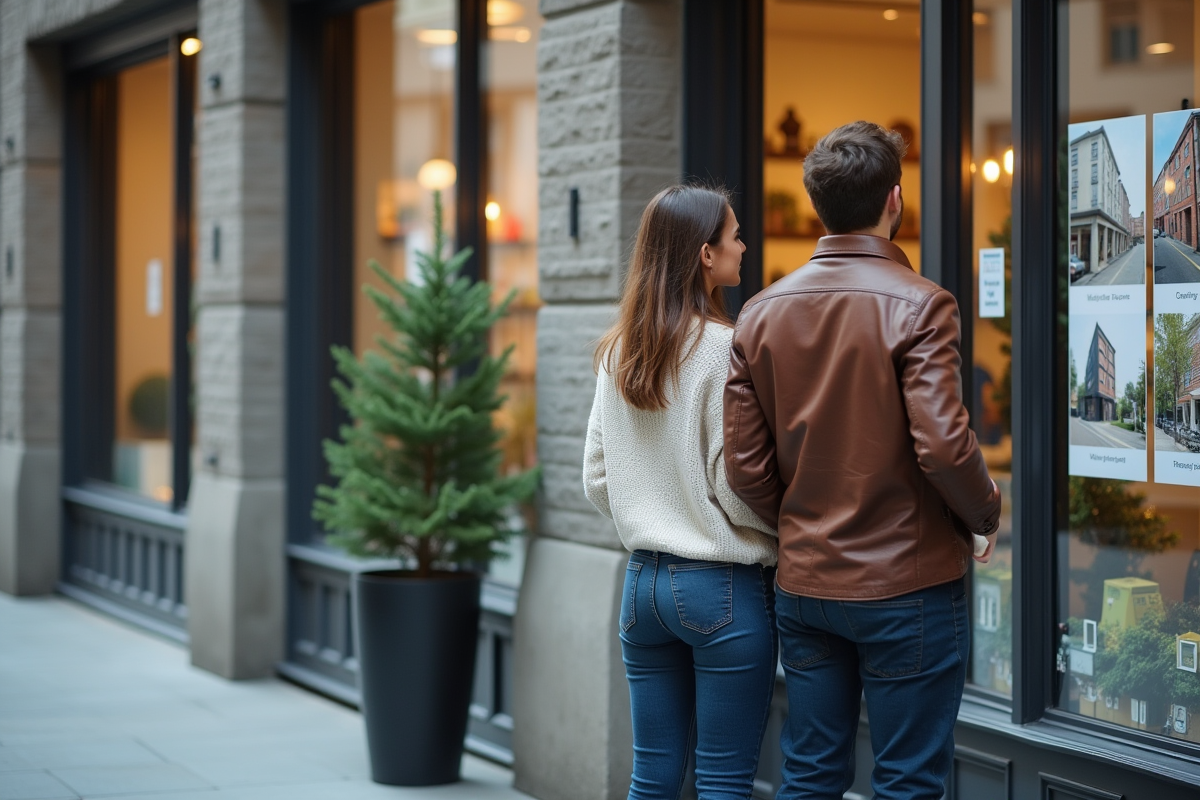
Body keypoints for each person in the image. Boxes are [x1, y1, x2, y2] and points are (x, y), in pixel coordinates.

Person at [723, 121, 1002, 800]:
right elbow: (944, 446)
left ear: (818, 205)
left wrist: (803, 525)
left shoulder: (758, 313)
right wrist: (984, 514)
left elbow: (746, 469)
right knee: (907, 780)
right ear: (895, 199)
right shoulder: (923, 305)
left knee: (810, 773)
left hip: (807, 584)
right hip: (907, 585)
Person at [583, 185, 779, 800]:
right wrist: (784, 531)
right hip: (721, 588)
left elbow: (596, 477)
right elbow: (735, 483)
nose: (744, 247)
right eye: (735, 236)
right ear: (704, 254)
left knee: (652, 777)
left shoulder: (618, 349)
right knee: (722, 781)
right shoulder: (724, 348)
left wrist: (650, 512)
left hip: (641, 586)